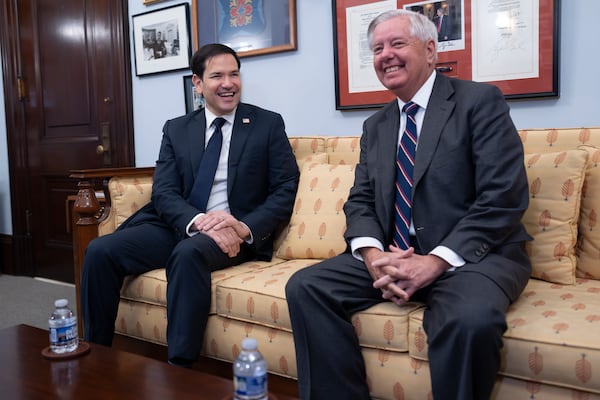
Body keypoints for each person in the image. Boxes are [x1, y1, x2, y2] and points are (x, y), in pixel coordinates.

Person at [285, 9, 531, 400]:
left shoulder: (479, 102)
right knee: (307, 287)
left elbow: (503, 198)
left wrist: (434, 261)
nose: (386, 55)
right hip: (393, 255)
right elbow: (361, 200)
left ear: (431, 50)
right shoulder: (376, 125)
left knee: (470, 321)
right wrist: (372, 256)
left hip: (470, 258)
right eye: (378, 48)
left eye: (397, 43)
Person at [81, 43, 299, 368]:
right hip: (179, 225)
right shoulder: (177, 128)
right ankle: (95, 355)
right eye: (217, 76)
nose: (228, 83)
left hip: (232, 232)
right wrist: (196, 221)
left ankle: (179, 370)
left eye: (234, 74)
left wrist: (243, 227)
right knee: (100, 251)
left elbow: (285, 188)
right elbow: (164, 192)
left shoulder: (267, 124)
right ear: (197, 83)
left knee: (188, 255)